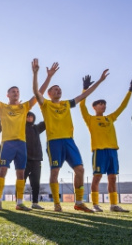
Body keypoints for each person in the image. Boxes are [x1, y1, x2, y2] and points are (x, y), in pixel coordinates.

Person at [0, 62, 58, 211]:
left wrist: (46, 76)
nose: (16, 93)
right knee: (2, 171)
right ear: (8, 95)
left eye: (17, 91)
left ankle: (19, 203)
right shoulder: (2, 107)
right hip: (7, 144)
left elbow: (39, 93)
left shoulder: (24, 107)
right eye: (13, 91)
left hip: (21, 144)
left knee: (20, 173)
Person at [32, 58, 108, 212]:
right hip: (54, 142)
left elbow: (85, 95)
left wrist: (99, 81)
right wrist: (39, 74)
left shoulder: (67, 104)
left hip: (69, 141)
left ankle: (79, 202)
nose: (58, 91)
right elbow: (36, 92)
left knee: (80, 169)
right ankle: (56, 204)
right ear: (49, 93)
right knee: (55, 172)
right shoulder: (45, 104)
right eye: (55, 89)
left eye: (60, 89)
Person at [80, 75, 132, 212]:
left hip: (112, 151)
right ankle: (95, 204)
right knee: (97, 177)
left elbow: (123, 106)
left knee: (112, 178)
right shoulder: (90, 119)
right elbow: (81, 104)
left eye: (104, 104)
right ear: (94, 107)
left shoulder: (110, 118)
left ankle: (114, 205)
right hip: (99, 151)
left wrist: (130, 90)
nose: (103, 106)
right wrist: (85, 88)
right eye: (100, 104)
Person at [24, 112, 46, 209]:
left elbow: (47, 122)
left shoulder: (37, 128)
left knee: (36, 182)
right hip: (24, 158)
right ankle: (19, 202)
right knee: (21, 180)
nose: (29, 117)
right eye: (27, 116)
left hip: (36, 159)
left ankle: (35, 203)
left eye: (31, 116)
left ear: (34, 117)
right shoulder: (21, 127)